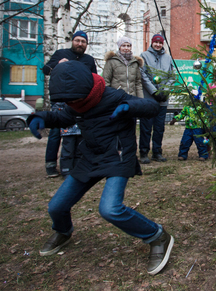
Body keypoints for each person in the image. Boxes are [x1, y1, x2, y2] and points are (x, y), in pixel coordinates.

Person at [28, 61, 174, 276]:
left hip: (118, 156)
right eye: (68, 101)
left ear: (87, 91)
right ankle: (63, 231)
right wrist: (41, 117)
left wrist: (129, 107)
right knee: (56, 207)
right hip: (90, 158)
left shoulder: (113, 96)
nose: (72, 103)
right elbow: (64, 117)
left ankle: (157, 236)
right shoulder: (77, 103)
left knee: (110, 209)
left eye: (74, 100)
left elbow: (151, 107)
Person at [42, 31, 97, 178]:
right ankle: (51, 165)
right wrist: (58, 65)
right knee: (56, 133)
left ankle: (75, 165)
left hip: (80, 102)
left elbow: (94, 79)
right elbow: (46, 70)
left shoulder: (88, 60)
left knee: (78, 134)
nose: (80, 44)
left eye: (83, 42)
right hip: (60, 101)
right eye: (77, 41)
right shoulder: (61, 54)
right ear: (72, 41)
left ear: (86, 44)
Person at [139, 34, 175, 164]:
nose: (158, 45)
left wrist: (165, 90)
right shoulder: (144, 56)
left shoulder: (168, 57)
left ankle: (157, 152)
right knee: (146, 127)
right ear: (152, 43)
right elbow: (143, 76)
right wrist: (154, 92)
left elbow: (172, 76)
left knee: (159, 127)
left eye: (160, 43)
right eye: (156, 43)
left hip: (163, 99)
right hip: (149, 98)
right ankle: (143, 152)